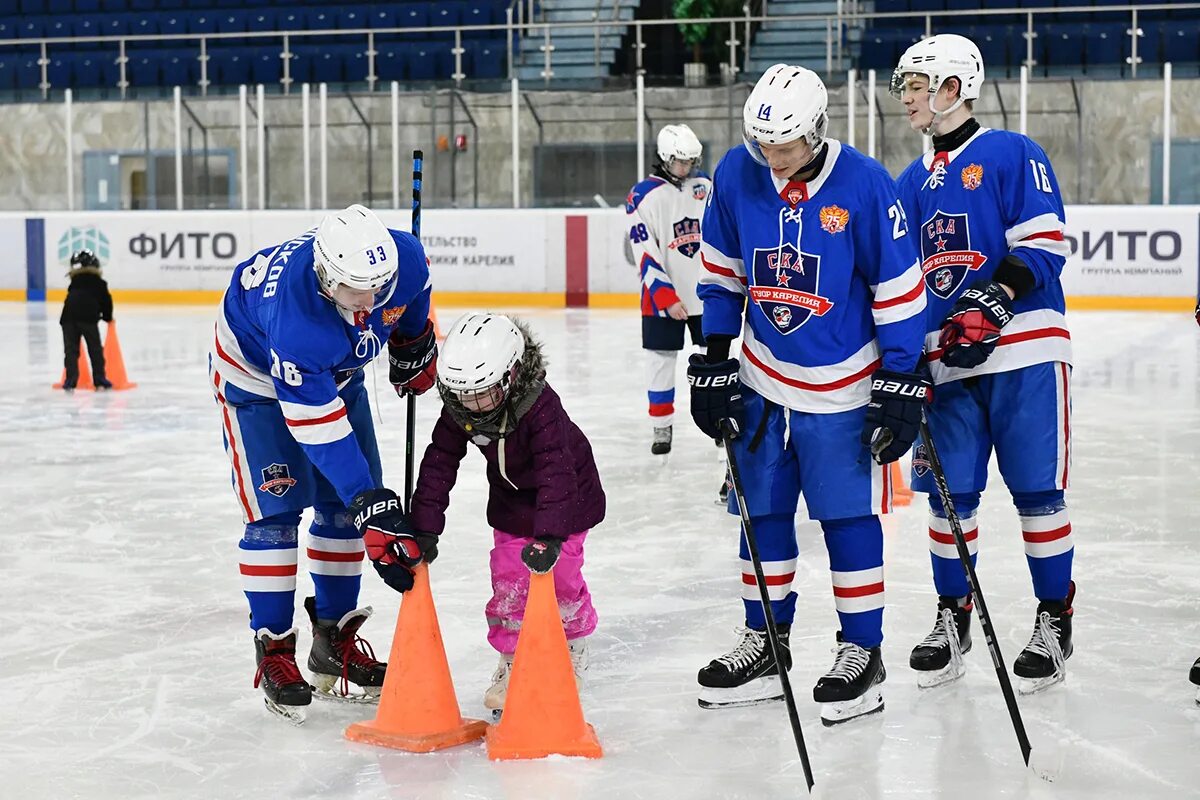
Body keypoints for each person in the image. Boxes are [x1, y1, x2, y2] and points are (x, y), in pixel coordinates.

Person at [687, 64, 928, 725]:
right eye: (763, 145)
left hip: (845, 388)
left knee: (846, 519)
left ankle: (862, 651)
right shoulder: (737, 175)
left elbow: (901, 292)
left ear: (818, 132)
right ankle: (766, 643)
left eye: (787, 147)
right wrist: (712, 358)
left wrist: (903, 378)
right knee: (759, 513)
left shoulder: (867, 184)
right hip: (764, 380)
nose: (774, 159)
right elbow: (722, 276)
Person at [891, 34, 1076, 695]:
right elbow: (902, 282)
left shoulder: (1010, 152)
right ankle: (953, 615)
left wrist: (995, 297)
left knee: (1037, 494)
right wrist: (903, 357)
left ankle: (1055, 618)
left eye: (917, 83)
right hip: (947, 366)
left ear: (951, 87)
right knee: (948, 499)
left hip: (1025, 350)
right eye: (905, 85)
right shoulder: (908, 183)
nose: (906, 95)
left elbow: (1046, 241)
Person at [210, 204, 440, 723]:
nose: (368, 304)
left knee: (341, 510)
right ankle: (274, 650)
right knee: (275, 516)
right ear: (324, 278)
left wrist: (413, 340)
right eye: (354, 292)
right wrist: (369, 500)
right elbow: (315, 425)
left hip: (333, 375)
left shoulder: (404, 262)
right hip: (256, 384)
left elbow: (413, 298)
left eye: (377, 290)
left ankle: (333, 639)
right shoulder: (298, 320)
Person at [408, 312, 604, 716]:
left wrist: (550, 536)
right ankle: (512, 660)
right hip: (512, 501)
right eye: (462, 395)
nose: (472, 406)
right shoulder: (463, 406)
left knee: (562, 575)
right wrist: (424, 527)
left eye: (482, 394)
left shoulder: (540, 407)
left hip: (568, 496)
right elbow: (440, 462)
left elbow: (556, 469)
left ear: (512, 376)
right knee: (509, 578)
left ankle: (572, 645)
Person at [625, 124, 712, 455]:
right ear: (664, 158)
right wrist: (666, 297)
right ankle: (661, 426)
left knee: (713, 361)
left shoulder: (704, 186)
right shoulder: (642, 195)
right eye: (680, 162)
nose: (686, 168)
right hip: (663, 300)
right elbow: (644, 251)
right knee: (661, 361)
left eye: (691, 161)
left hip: (705, 294)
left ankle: (717, 422)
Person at [60, 249, 114, 391]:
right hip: (88, 318)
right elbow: (106, 301)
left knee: (71, 351)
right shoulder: (98, 282)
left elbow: (71, 301)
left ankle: (70, 381)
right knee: (95, 349)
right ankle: (99, 380)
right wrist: (108, 317)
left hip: (68, 318)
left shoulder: (74, 282)